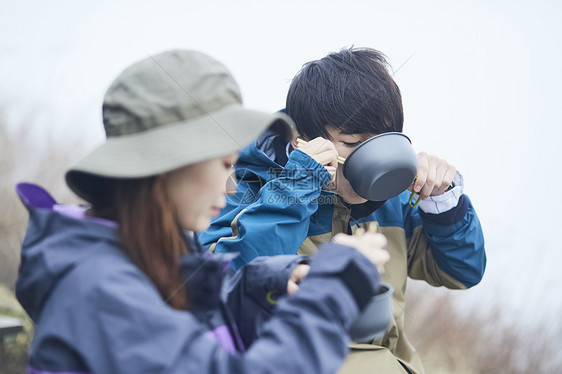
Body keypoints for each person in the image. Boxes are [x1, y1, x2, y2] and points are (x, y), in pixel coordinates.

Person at [14, 50, 392, 374]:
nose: (228, 184)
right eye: (223, 164)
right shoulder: (99, 289)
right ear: (169, 164)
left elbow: (193, 322)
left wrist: (261, 282)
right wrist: (336, 283)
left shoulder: (137, 256)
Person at [199, 47, 487, 374]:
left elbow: (461, 272)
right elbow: (214, 287)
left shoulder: (395, 200)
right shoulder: (249, 186)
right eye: (353, 144)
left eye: (383, 140)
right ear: (300, 142)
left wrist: (443, 203)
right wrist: (296, 187)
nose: (375, 156)